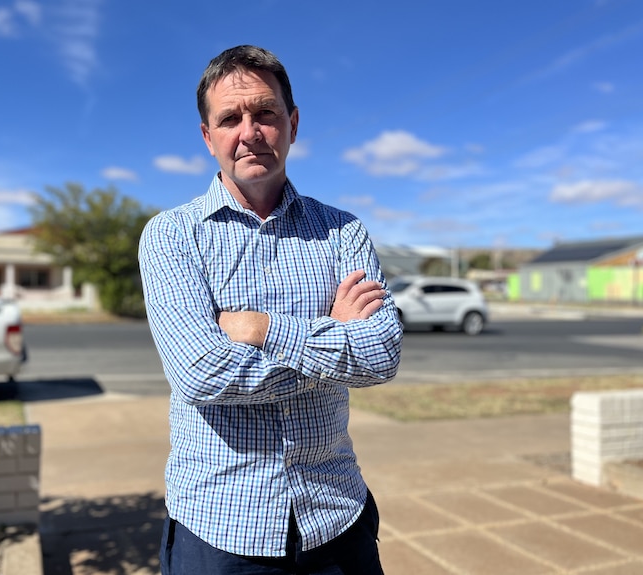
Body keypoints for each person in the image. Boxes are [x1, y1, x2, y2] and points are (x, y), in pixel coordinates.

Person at [138, 44, 403, 574]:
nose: (249, 131)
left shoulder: (342, 231)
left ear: (293, 123)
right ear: (207, 137)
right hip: (220, 528)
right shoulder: (171, 236)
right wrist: (333, 338)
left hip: (337, 519)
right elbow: (201, 374)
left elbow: (382, 354)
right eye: (230, 118)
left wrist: (262, 329)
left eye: (265, 113)